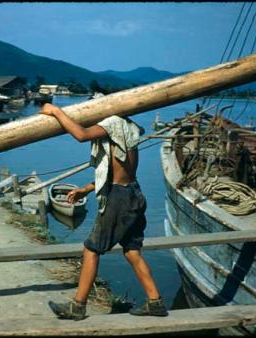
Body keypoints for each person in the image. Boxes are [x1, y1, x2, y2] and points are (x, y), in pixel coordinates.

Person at [39, 103, 168, 320]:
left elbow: (81, 135)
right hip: (133, 193)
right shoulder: (128, 127)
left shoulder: (112, 123)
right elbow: (119, 172)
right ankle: (155, 302)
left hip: (119, 198)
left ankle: (77, 306)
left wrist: (56, 111)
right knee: (132, 251)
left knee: (91, 249)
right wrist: (86, 189)